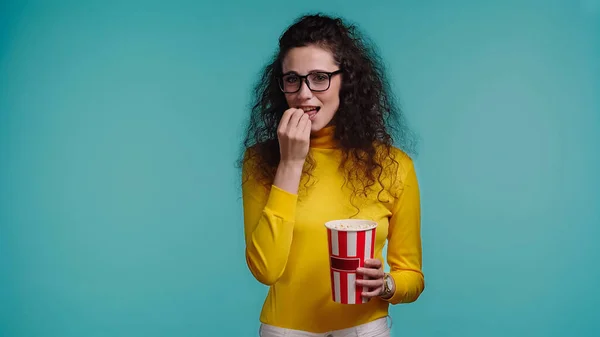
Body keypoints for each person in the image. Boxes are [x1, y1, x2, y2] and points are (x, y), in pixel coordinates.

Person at [238, 13, 424, 337]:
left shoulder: (394, 166)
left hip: (366, 328)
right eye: (293, 79)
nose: (305, 94)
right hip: (286, 330)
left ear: (345, 81)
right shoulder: (260, 161)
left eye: (320, 77)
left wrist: (387, 284)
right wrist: (291, 164)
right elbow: (265, 269)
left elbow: (412, 275)